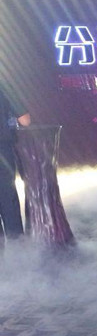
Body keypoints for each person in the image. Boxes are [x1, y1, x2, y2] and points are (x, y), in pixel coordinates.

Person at [0, 84, 30, 240]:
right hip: (2, 151)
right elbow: (25, 121)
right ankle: (17, 246)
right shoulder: (5, 86)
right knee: (7, 197)